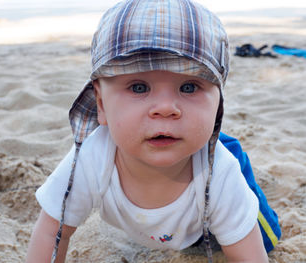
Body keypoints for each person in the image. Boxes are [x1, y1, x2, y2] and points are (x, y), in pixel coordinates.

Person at [27, 0, 281, 262]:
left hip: (208, 202)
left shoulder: (220, 172)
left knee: (266, 240)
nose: (165, 108)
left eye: (189, 87)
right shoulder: (91, 158)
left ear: (218, 104)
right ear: (101, 104)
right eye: (139, 87)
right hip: (174, 223)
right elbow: (52, 233)